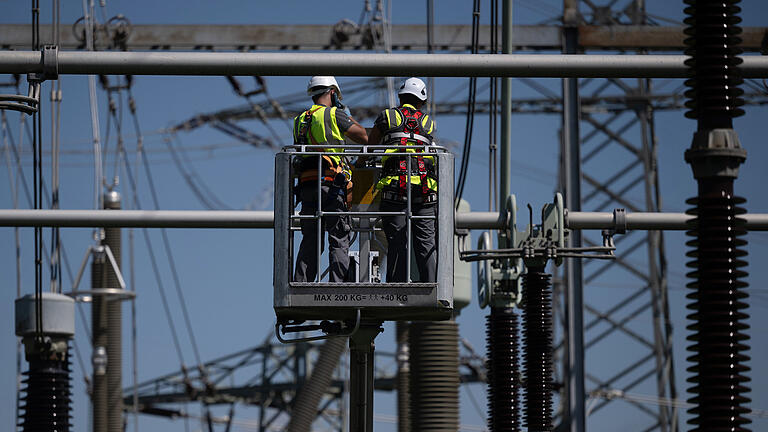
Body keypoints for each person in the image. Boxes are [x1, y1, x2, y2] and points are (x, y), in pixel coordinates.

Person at [293, 76, 368, 282]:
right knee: (338, 237)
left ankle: (301, 283)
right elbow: (363, 136)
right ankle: (338, 286)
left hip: (307, 185)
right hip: (332, 184)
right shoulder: (335, 114)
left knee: (311, 239)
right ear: (333, 93)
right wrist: (346, 115)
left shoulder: (300, 119)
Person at [368, 77, 438, 283]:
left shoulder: (387, 117)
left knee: (397, 241)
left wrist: (360, 163)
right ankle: (431, 285)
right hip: (425, 192)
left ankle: (396, 285)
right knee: (426, 243)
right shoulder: (428, 123)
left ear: (401, 96)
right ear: (422, 101)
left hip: (395, 189)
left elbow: (370, 147)